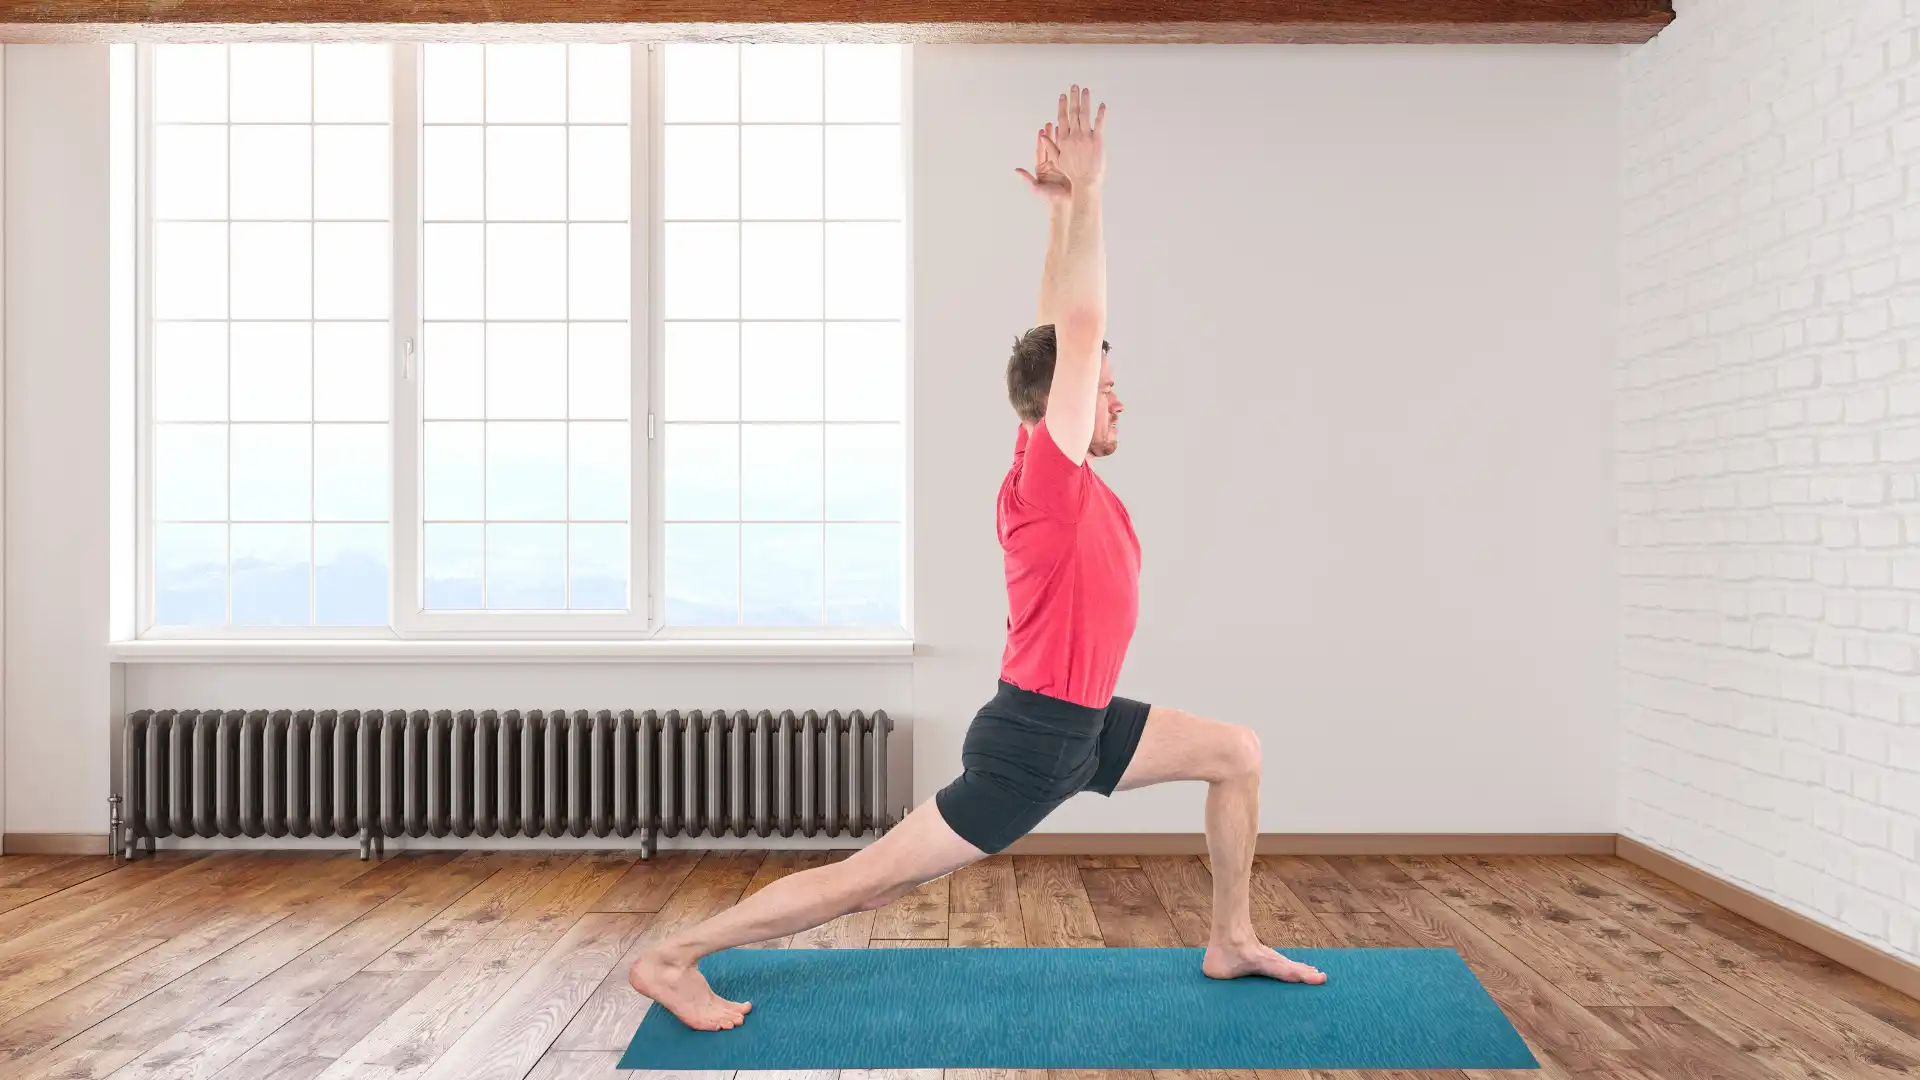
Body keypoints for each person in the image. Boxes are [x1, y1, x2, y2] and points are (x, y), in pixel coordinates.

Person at [628, 85, 1327, 1032]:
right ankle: (675, 957)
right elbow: (1072, 336)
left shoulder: (1047, 464)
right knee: (864, 885)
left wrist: (1058, 217)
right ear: (1066, 407)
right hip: (1034, 742)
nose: (1118, 401)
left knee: (1234, 753)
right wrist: (1095, 190)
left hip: (1077, 725)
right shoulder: (1048, 475)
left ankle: (1231, 938)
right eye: (1106, 390)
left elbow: (1054, 337)